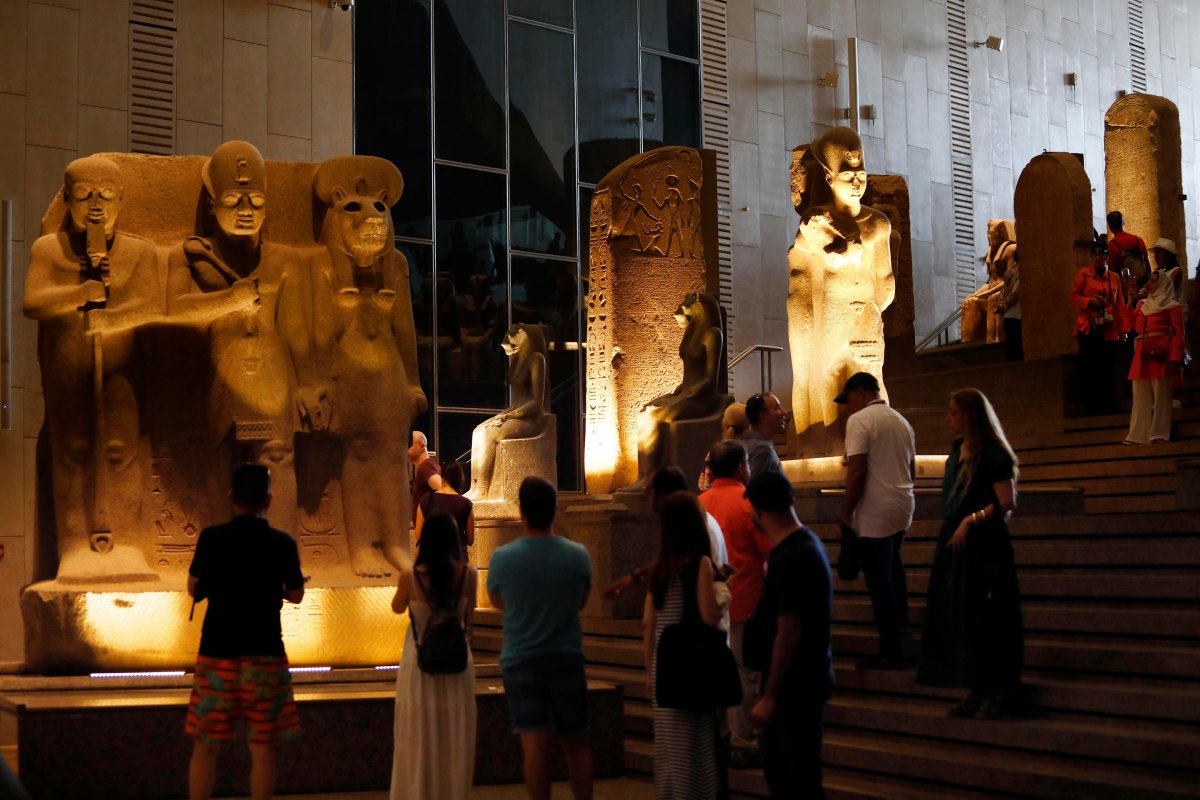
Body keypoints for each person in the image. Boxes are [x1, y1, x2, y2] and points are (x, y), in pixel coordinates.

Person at [185, 464, 305, 800]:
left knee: (205, 746)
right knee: (262, 748)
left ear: (230, 497)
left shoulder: (211, 538)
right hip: (265, 656)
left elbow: (194, 588)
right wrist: (275, 589)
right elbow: (297, 594)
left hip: (216, 655)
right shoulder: (282, 543)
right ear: (268, 499)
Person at [916, 389, 1022, 719]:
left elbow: (1007, 501)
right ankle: (975, 687)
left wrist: (970, 520)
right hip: (956, 543)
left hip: (984, 543)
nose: (948, 418)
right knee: (964, 616)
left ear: (970, 416)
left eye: (954, 413)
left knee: (988, 615)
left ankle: (998, 691)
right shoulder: (956, 452)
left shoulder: (994, 455)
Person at [487, 477, 594, 800]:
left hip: (520, 659)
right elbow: (581, 601)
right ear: (554, 509)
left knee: (534, 746)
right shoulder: (577, 555)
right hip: (566, 656)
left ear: (522, 511)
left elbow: (497, 601)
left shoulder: (502, 557)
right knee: (576, 742)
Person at [744, 471, 833, 800]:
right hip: (797, 683)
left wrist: (770, 694)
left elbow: (789, 633)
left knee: (796, 779)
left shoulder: (792, 556)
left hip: (795, 688)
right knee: (785, 772)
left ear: (758, 511)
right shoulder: (805, 546)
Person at [642, 492, 726, 799]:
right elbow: (709, 616)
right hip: (691, 667)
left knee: (670, 751)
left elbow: (648, 623)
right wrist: (722, 594)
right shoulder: (700, 564)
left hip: (664, 666)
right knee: (696, 749)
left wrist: (649, 672)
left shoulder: (659, 569)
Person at [390, 509, 477, 799]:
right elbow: (469, 615)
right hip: (457, 658)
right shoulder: (469, 574)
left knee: (418, 733)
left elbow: (397, 608)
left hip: (419, 661)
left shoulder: (410, 576)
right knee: (454, 733)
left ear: (424, 541)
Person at [698, 440, 770, 768]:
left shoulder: (699, 505)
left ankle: (721, 737)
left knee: (715, 674)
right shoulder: (748, 503)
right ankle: (744, 741)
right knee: (743, 674)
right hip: (746, 601)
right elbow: (769, 551)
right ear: (742, 467)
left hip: (707, 605)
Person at [836, 372, 915, 669]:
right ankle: (902, 625)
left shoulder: (860, 420)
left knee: (879, 581)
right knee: (894, 566)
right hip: (902, 503)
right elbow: (911, 468)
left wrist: (846, 513)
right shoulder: (901, 421)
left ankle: (890, 650)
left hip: (875, 510)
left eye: (848, 399)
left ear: (860, 392)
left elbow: (857, 472)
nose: (847, 407)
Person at [603, 466, 729, 601]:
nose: (646, 495)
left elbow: (697, 570)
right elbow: (673, 560)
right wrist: (635, 577)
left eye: (649, 491)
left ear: (661, 496)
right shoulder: (685, 521)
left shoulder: (696, 526)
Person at [1122, 270, 1185, 444]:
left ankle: (1159, 432)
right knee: (1139, 393)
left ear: (1163, 284)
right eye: (1149, 281)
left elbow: (1179, 335)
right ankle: (1138, 434)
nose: (1148, 284)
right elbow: (1129, 325)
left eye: (1154, 281)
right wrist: (1130, 302)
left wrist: (1174, 357)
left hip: (1161, 351)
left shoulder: (1172, 306)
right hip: (1142, 351)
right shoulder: (1142, 305)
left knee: (1161, 394)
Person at [1070, 235, 1127, 415]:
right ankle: (1090, 404)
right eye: (1094, 254)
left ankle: (1108, 402)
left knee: (1107, 366)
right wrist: (1089, 301)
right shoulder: (1083, 275)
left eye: (1101, 254)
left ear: (1106, 256)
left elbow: (1119, 304)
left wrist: (1123, 329)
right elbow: (1073, 296)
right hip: (1089, 326)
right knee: (1090, 366)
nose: (1097, 257)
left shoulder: (1114, 277)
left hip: (1108, 326)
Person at [415, 459, 475, 555]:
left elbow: (418, 535)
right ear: (460, 478)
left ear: (441, 476)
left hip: (431, 558)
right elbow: (470, 540)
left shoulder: (425, 500)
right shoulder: (466, 504)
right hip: (457, 558)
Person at [698, 402, 749, 491]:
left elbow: (703, 485)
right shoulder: (750, 453)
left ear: (724, 423)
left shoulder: (713, 454)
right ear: (749, 426)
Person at [742, 393, 787, 478]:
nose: (784, 412)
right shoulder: (762, 449)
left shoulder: (745, 444)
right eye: (777, 408)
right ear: (763, 416)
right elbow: (752, 484)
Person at [1106, 210, 1151, 294]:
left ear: (1109, 226)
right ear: (1123, 222)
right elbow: (1147, 265)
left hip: (1126, 291)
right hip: (1144, 288)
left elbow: (1112, 274)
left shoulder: (1112, 246)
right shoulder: (1138, 240)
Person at [408, 431, 443, 522]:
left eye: (409, 446)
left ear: (422, 445)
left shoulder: (426, 467)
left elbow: (444, 490)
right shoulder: (429, 465)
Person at [995, 250, 1022, 362]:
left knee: (1011, 348)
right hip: (1017, 314)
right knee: (1017, 349)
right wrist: (1005, 304)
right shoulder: (1021, 271)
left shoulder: (1010, 271)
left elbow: (1004, 291)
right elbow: (1016, 292)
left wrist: (1001, 304)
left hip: (1009, 314)